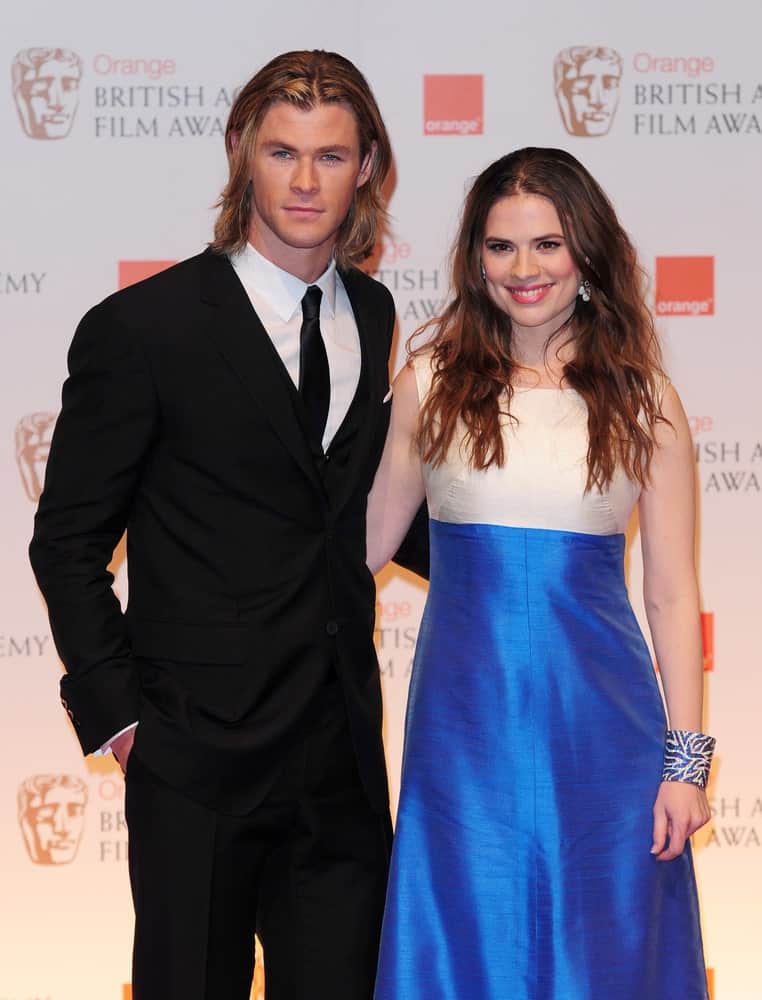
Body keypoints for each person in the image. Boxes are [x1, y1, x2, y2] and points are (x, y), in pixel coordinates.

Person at [30, 49, 425, 1000]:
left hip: (337, 751)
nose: (303, 180)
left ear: (366, 167)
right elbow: (68, 541)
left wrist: (522, 560)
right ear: (242, 152)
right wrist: (124, 719)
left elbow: (357, 501)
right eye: (281, 152)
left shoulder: (373, 314)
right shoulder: (145, 328)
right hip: (193, 755)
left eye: (329, 156)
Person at [367, 147, 713, 999]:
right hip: (462, 734)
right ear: (474, 259)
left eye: (547, 244)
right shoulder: (430, 385)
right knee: (464, 941)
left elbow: (671, 592)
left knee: (606, 949)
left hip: (603, 732)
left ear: (586, 253)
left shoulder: (644, 399)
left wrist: (686, 765)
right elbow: (357, 553)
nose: (524, 269)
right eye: (500, 247)